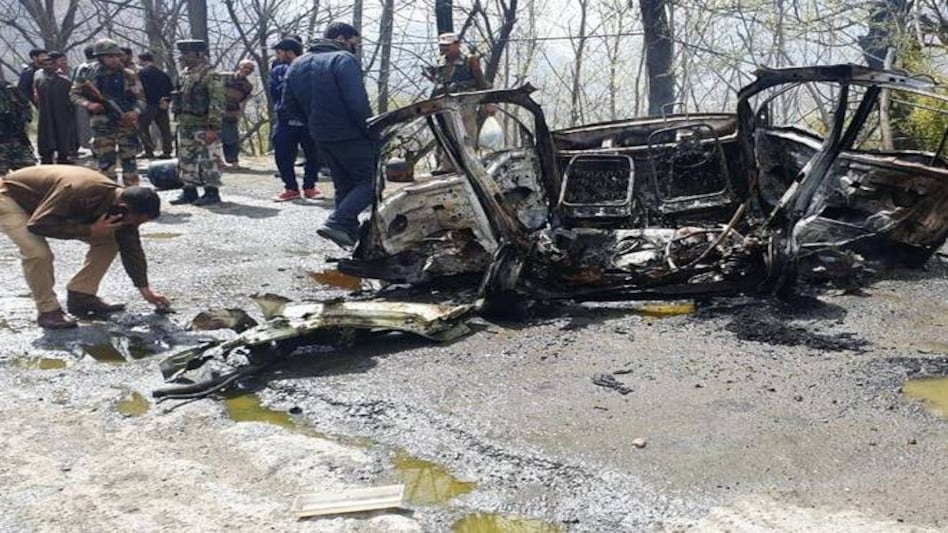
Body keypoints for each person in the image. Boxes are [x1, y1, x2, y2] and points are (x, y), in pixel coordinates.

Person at [0, 165, 170, 329]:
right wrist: (90, 229)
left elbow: (131, 247)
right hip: (11, 198)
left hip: (42, 205)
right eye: (138, 221)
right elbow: (38, 225)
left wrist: (145, 289)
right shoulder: (78, 190)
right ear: (125, 208)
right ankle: (47, 311)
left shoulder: (123, 205)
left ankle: (81, 295)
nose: (136, 226)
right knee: (38, 254)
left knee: (110, 241)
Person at [284, 22, 378, 248]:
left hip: (320, 135)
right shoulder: (343, 60)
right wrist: (370, 129)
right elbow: (357, 102)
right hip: (350, 133)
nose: (355, 48)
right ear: (341, 38)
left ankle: (348, 237)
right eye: (354, 43)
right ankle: (338, 221)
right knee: (370, 182)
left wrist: (314, 124)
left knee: (343, 184)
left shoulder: (297, 64)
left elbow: (289, 105)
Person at [71, 38, 146, 187]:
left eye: (117, 56)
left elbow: (141, 99)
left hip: (126, 122)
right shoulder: (87, 73)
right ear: (100, 57)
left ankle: (132, 194)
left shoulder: (129, 74)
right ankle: (110, 195)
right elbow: (74, 94)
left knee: (130, 161)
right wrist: (89, 104)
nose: (115, 59)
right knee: (105, 163)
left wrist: (135, 112)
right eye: (110, 56)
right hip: (101, 124)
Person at [425, 32, 492, 173]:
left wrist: (488, 102)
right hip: (446, 104)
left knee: (467, 135)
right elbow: (440, 82)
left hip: (466, 103)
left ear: (457, 45)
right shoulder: (441, 62)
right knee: (448, 134)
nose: (445, 49)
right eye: (443, 46)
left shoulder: (470, 60)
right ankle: (448, 165)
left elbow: (481, 82)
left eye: (448, 46)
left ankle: (470, 164)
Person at [170, 39, 225, 206]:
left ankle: (211, 192)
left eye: (188, 54)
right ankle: (189, 191)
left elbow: (217, 101)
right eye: (183, 54)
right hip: (185, 123)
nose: (184, 57)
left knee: (209, 158)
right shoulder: (184, 74)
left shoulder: (210, 74)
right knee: (186, 159)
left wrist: (213, 127)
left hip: (203, 123)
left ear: (200, 54)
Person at [270, 38, 322, 201]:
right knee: (283, 154)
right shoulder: (277, 70)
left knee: (313, 154)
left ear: (289, 52)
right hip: (285, 120)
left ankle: (310, 187)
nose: (277, 56)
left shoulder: (311, 67)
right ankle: (291, 188)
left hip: (308, 120)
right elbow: (274, 93)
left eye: (279, 52)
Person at [34, 52, 76, 165]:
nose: (48, 67)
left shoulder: (65, 82)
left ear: (55, 65)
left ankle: (63, 158)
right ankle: (46, 158)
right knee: (45, 137)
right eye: (45, 65)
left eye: (51, 64)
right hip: (45, 115)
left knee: (63, 137)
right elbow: (36, 97)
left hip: (62, 115)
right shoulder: (39, 81)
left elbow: (73, 99)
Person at [136, 52, 174, 159]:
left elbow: (142, 90)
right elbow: (171, 89)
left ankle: (148, 150)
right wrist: (166, 100)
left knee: (142, 127)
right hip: (163, 104)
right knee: (164, 128)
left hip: (149, 104)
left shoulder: (142, 73)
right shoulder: (163, 74)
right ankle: (167, 151)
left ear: (143, 61)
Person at [221, 59, 255, 167]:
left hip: (231, 112)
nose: (247, 70)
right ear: (240, 67)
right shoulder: (225, 76)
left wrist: (239, 114)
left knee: (232, 138)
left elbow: (243, 101)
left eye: (250, 69)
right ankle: (217, 161)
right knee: (214, 138)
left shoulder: (248, 86)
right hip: (216, 111)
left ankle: (233, 161)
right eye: (245, 67)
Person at [0, 77, 36, 174]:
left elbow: (26, 106)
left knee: (28, 173)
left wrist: (24, 119)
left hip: (17, 139)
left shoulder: (10, 89)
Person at [72, 45, 96, 151]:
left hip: (83, 101)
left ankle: (91, 146)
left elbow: (74, 86)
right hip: (95, 101)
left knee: (86, 126)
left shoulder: (80, 67)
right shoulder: (98, 67)